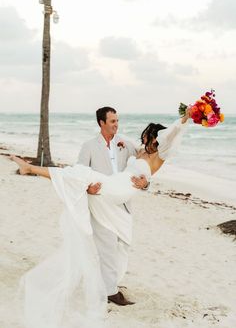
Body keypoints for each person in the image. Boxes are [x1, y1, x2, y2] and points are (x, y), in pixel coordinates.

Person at [11, 110, 189, 328]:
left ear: (154, 136)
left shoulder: (159, 154)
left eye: (146, 134)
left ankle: (30, 168)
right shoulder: (134, 149)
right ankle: (30, 168)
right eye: (113, 121)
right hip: (109, 188)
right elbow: (114, 149)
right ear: (102, 123)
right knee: (83, 176)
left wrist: (186, 117)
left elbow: (172, 133)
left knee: (86, 182)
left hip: (121, 191)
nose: (142, 137)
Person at [78, 106, 149, 306]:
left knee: (122, 245)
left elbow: (144, 163)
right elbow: (79, 172)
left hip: (123, 204)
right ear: (101, 123)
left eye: (117, 121)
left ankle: (109, 282)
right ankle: (110, 292)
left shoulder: (125, 144)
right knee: (107, 247)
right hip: (100, 203)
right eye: (112, 121)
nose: (116, 125)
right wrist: (88, 189)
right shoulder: (89, 146)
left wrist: (145, 183)